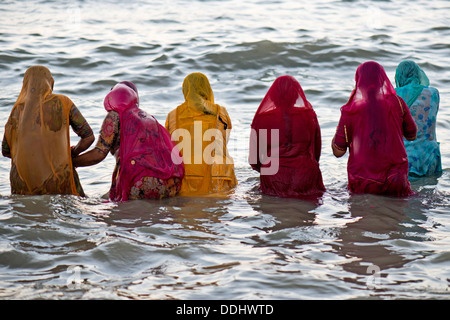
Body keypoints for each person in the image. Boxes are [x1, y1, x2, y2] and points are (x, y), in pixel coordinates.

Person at [73, 81, 184, 201]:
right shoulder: (147, 118)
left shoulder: (114, 116)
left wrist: (72, 162)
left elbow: (99, 153)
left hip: (138, 182)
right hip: (169, 182)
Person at [2, 65, 94, 196]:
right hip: (57, 178)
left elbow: (6, 151)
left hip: (23, 183)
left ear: (25, 85)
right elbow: (88, 136)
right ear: (50, 83)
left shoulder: (17, 111)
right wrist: (71, 153)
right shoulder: (63, 102)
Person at [332, 61, 417, 197]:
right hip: (395, 179)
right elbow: (412, 135)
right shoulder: (398, 103)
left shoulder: (350, 110)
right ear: (383, 79)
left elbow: (338, 151)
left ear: (358, 81)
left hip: (363, 182)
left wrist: (340, 130)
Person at [249, 75, 325, 199]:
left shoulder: (262, 119)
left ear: (273, 96)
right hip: (306, 175)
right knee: (307, 214)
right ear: (296, 95)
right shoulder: (309, 115)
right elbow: (316, 152)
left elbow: (254, 160)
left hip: (273, 178)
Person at [165, 72, 237, 196]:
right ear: (207, 89)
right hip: (216, 178)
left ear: (185, 91)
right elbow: (224, 142)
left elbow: (168, 147)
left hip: (182, 179)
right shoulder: (221, 112)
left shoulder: (173, 115)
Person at [395, 60, 442, 177]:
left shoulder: (393, 96)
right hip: (430, 156)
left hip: (404, 157)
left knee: (408, 193)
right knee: (428, 193)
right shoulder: (433, 93)